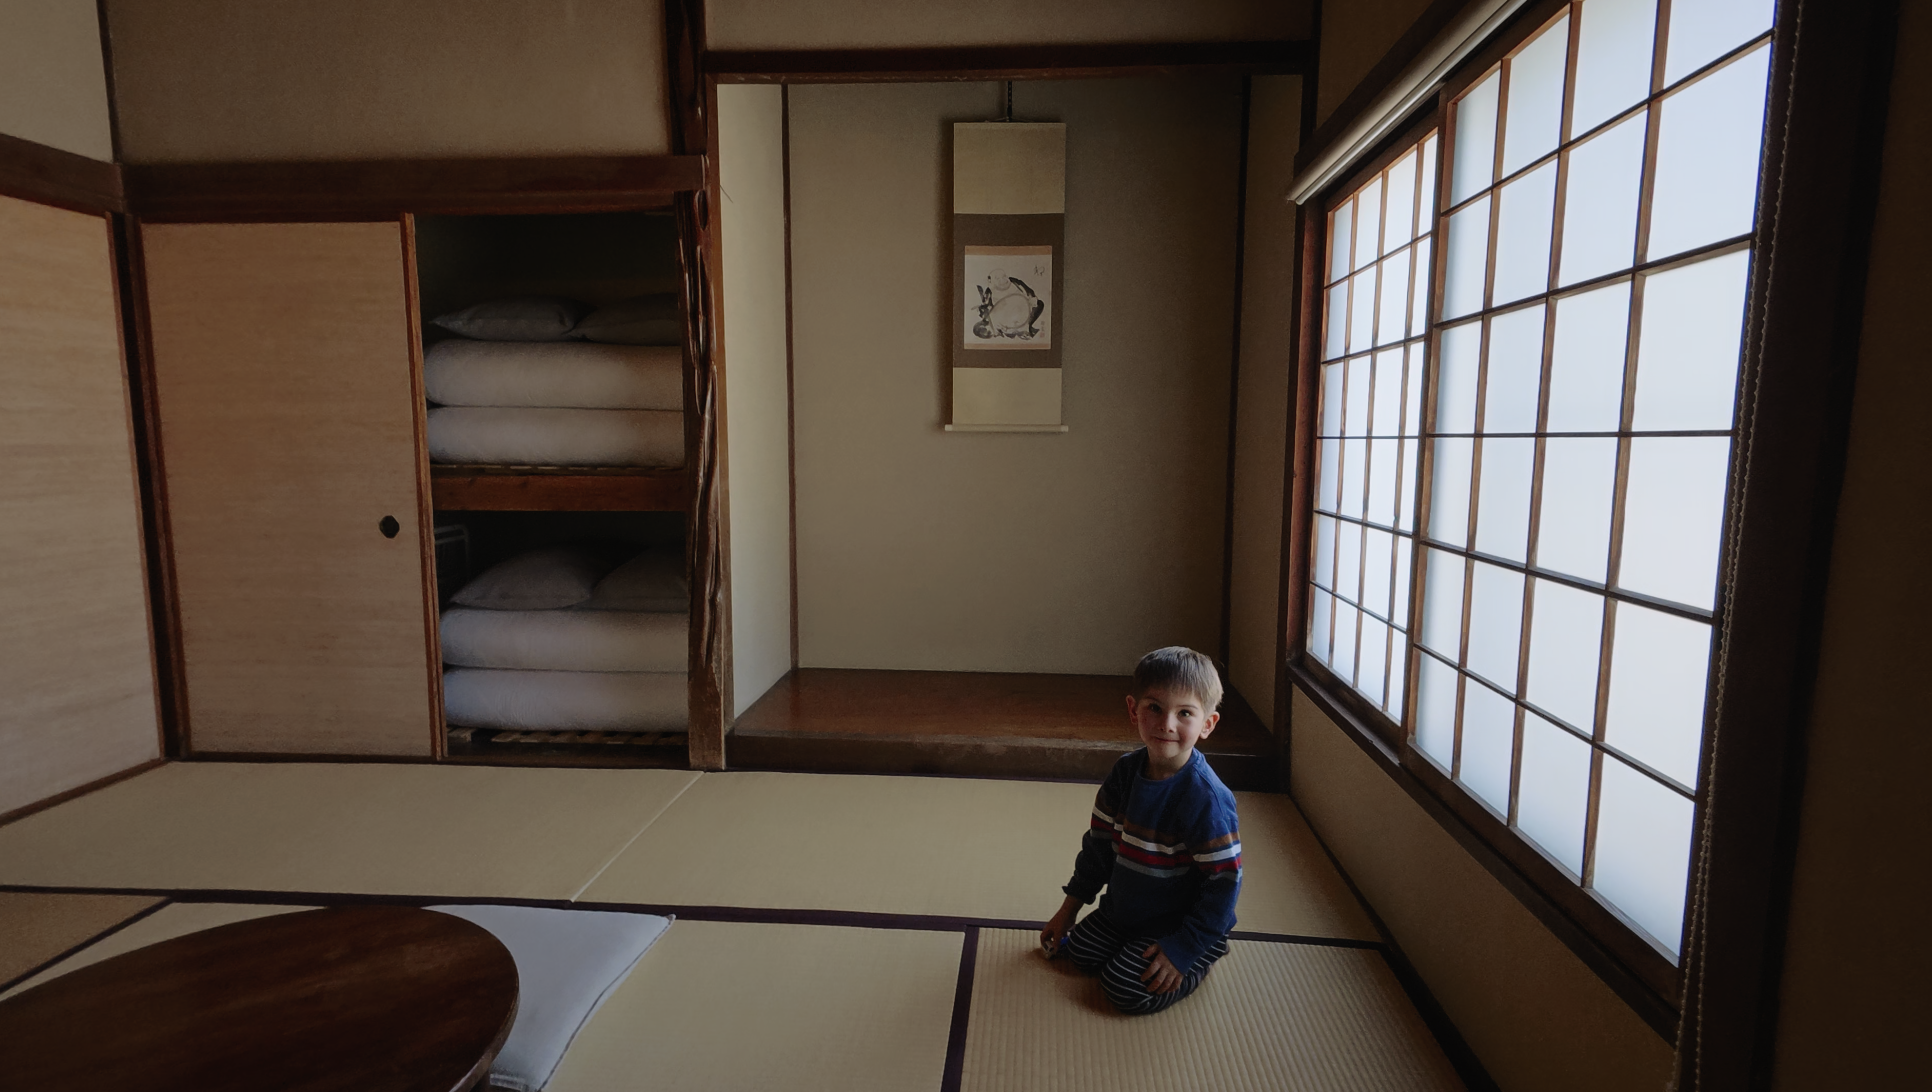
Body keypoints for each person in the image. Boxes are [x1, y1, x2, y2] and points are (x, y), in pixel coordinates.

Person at [1040, 646, 1242, 1015]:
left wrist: (1183, 950)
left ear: (1207, 724)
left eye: (1185, 713)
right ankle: (1134, 946)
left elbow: (1223, 884)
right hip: (1127, 911)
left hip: (1180, 924)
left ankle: (1202, 958)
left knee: (1121, 987)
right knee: (1080, 953)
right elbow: (1097, 849)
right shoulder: (1124, 773)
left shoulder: (1206, 798)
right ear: (1133, 709)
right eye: (1154, 708)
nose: (1167, 723)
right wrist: (1068, 910)